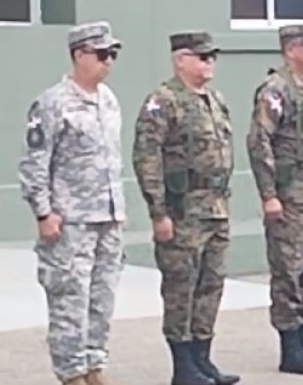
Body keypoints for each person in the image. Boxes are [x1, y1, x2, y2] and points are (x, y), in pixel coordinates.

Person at [18, 21, 126, 385]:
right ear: (79, 55)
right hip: (70, 222)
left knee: (102, 299)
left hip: (107, 219)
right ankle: (71, 373)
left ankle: (94, 366)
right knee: (69, 300)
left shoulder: (109, 100)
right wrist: (43, 213)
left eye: (112, 54)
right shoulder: (52, 103)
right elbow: (34, 162)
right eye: (101, 54)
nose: (108, 61)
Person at [132, 31, 239, 385]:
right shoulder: (163, 101)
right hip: (182, 213)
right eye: (201, 56)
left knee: (211, 285)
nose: (209, 63)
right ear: (180, 60)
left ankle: (202, 359)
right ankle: (183, 367)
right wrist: (158, 213)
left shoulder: (214, 99)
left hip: (216, 208)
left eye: (212, 57)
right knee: (181, 287)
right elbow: (147, 158)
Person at [246, 22, 303, 375]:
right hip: (291, 195)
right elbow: (260, 142)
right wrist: (269, 195)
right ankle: (290, 347)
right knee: (289, 269)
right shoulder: (276, 89)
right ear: (290, 50)